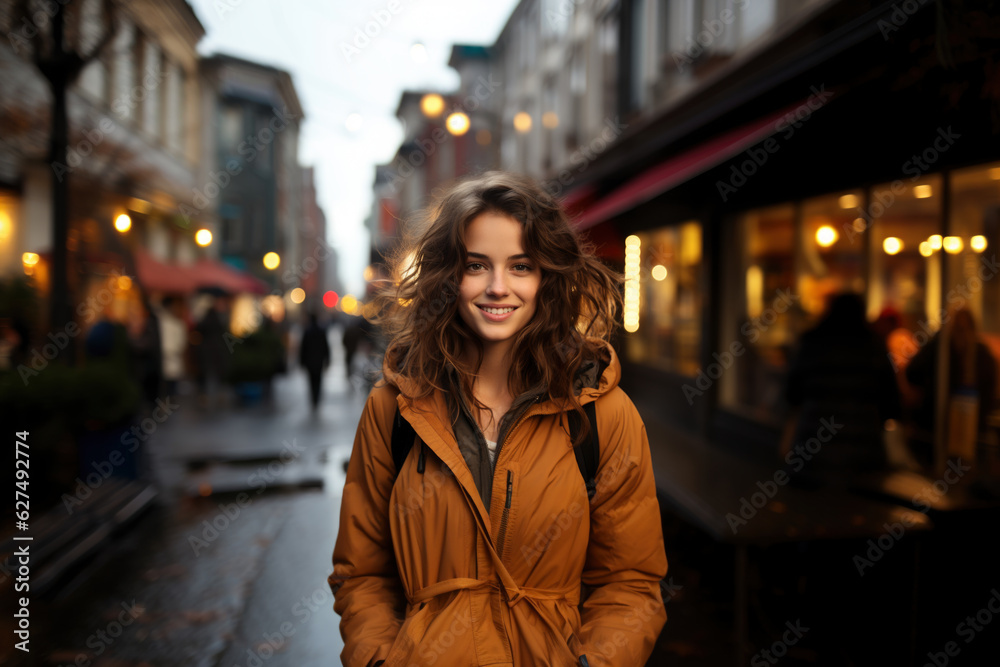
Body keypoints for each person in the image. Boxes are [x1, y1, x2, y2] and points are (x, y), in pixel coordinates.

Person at [328, 172, 668, 667]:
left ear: (546, 277)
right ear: (449, 276)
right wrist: (381, 659)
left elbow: (631, 583)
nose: (497, 287)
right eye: (476, 266)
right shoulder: (395, 408)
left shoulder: (603, 414)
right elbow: (362, 573)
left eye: (521, 266)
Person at [781, 292, 902, 476]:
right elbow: (892, 402)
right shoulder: (874, 347)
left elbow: (792, 394)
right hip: (863, 453)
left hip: (812, 452)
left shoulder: (812, 343)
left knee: (811, 504)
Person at [299, 310, 331, 411]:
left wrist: (302, 361)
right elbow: (326, 347)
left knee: (311, 381)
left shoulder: (307, 332)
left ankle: (313, 399)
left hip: (310, 362)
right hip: (319, 361)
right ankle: (316, 398)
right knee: (318, 380)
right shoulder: (321, 331)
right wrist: (327, 359)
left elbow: (303, 348)